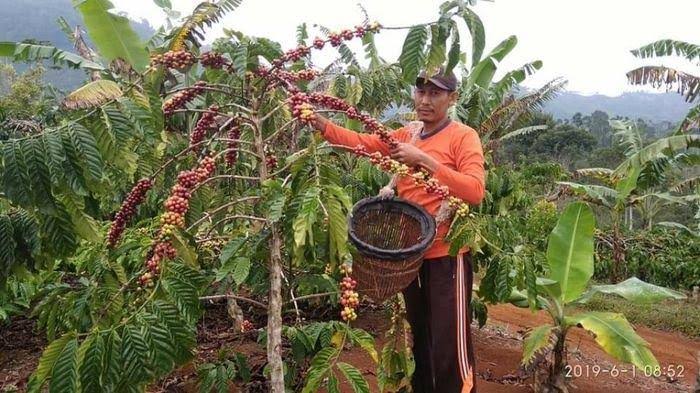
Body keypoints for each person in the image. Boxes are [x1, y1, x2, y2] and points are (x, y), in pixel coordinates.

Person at [311, 68, 485, 393]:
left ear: (452, 98)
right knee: (422, 339)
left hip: (448, 256)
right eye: (421, 92)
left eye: (435, 93)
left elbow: (475, 191)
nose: (425, 100)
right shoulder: (407, 134)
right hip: (410, 258)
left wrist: (425, 161)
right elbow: (366, 144)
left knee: (450, 344)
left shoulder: (463, 137)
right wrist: (325, 128)